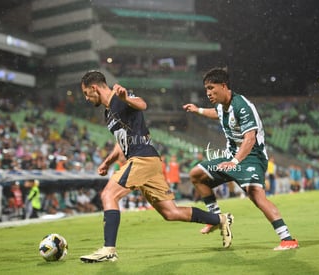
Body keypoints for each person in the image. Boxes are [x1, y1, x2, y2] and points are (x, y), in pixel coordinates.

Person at [79, 71, 233, 263]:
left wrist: (126, 97)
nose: (86, 98)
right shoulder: (108, 112)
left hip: (142, 159)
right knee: (171, 212)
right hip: (146, 161)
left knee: (108, 195)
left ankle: (109, 249)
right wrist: (107, 162)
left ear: (94, 88)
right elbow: (122, 142)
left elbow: (142, 104)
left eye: (86, 93)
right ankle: (221, 219)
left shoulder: (120, 98)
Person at [183, 67, 298, 251]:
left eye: (211, 88)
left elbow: (250, 139)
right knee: (196, 174)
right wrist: (199, 111)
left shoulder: (241, 105)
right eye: (206, 89)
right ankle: (215, 218)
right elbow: (217, 114)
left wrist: (234, 162)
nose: (208, 93)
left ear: (223, 86)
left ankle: (288, 239)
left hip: (252, 158)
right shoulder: (222, 106)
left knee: (255, 194)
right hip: (233, 158)